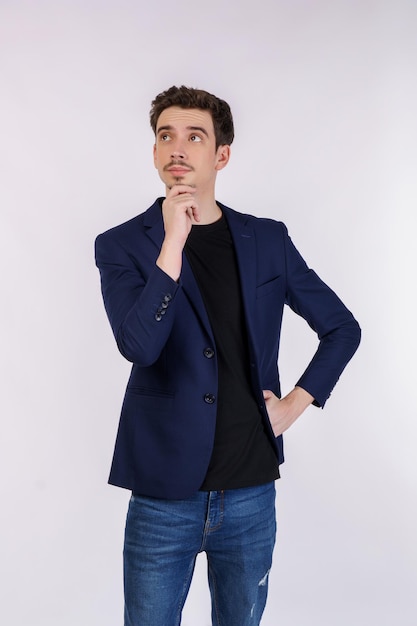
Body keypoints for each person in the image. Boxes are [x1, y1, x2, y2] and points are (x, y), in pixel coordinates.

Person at [95, 85, 361, 626]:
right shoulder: (121, 244)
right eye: (165, 136)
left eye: (194, 136)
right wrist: (172, 244)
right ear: (153, 152)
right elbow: (138, 346)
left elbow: (341, 328)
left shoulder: (267, 240)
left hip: (249, 491)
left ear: (221, 155)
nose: (177, 148)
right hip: (162, 495)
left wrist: (294, 404)